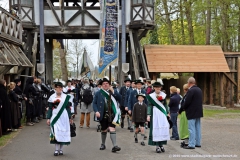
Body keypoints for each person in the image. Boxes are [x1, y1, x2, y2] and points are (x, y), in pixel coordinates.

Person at [93, 78, 122, 152]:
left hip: (112, 114)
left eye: (107, 84)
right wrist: (96, 111)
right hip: (102, 113)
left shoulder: (113, 92)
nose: (105, 85)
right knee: (104, 129)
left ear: (109, 85)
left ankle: (115, 146)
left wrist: (114, 92)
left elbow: (120, 99)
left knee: (112, 128)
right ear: (101, 85)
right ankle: (103, 144)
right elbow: (94, 103)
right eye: (104, 84)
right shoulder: (98, 93)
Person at [47, 82, 72, 156]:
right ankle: (56, 149)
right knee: (56, 131)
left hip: (64, 116)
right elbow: (50, 109)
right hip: (55, 116)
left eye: (61, 87)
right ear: (55, 88)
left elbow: (68, 108)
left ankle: (61, 149)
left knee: (63, 132)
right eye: (58, 87)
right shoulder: (52, 97)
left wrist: (70, 117)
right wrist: (48, 118)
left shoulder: (66, 96)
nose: (59, 89)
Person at [146, 82, 170, 153]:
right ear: (154, 88)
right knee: (156, 129)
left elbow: (165, 104)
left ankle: (161, 144)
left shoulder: (163, 95)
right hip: (155, 113)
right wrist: (148, 114)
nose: (158, 89)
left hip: (162, 114)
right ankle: (157, 146)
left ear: (161, 88)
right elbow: (149, 106)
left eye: (159, 87)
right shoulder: (151, 96)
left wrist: (167, 112)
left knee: (162, 128)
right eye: (156, 87)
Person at [182, 77, 203, 149]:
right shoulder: (199, 89)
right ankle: (198, 142)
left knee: (191, 128)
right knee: (197, 127)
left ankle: (191, 144)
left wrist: (182, 108)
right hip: (198, 111)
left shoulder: (191, 91)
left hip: (192, 112)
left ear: (189, 83)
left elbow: (187, 101)